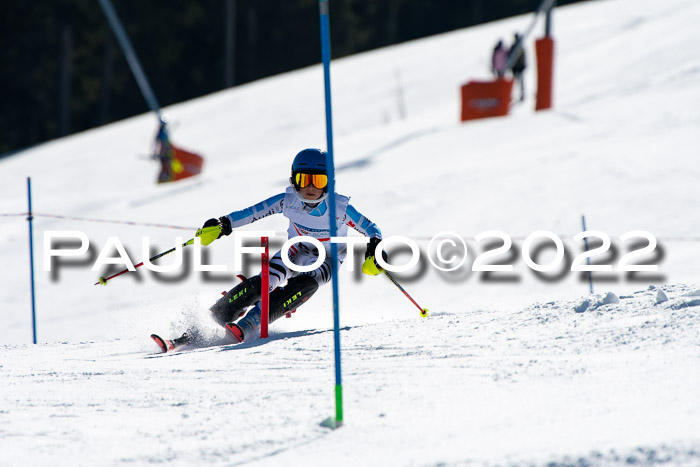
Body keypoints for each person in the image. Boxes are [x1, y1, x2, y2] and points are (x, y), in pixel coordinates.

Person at [191, 148, 384, 345]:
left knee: (306, 284)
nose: (310, 187)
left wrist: (375, 247)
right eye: (303, 179)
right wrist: (225, 224)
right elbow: (252, 212)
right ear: (294, 179)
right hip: (296, 250)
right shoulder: (288, 200)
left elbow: (370, 227)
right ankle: (210, 319)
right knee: (262, 282)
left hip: (328, 259)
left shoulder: (339, 208)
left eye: (318, 181)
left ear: (329, 182)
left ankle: (250, 323)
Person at [509, 33, 527, 101]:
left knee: (518, 82)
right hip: (517, 67)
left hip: (518, 67)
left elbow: (523, 57)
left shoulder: (516, 46)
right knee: (516, 82)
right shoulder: (518, 46)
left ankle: (520, 95)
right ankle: (515, 95)